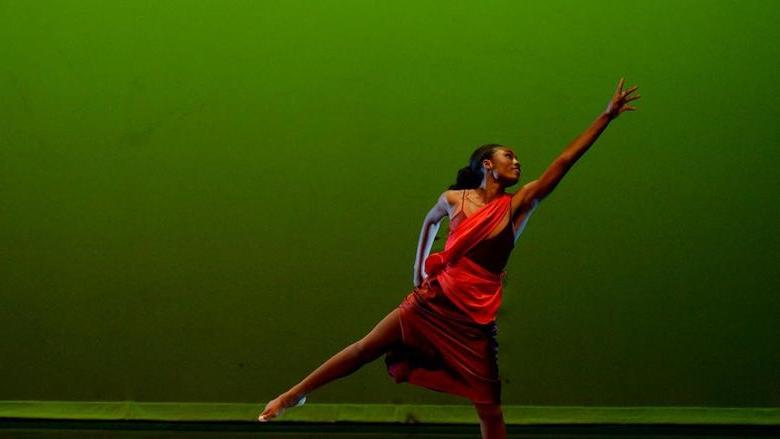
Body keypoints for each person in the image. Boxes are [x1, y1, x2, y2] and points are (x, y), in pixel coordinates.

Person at [258, 78, 640, 439]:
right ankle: (293, 395)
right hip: (435, 301)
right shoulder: (455, 199)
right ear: (487, 165)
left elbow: (564, 162)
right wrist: (418, 269)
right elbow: (428, 224)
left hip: (475, 318)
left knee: (489, 408)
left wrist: (605, 116)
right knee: (365, 348)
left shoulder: (518, 204)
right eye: (509, 156)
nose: (518, 162)